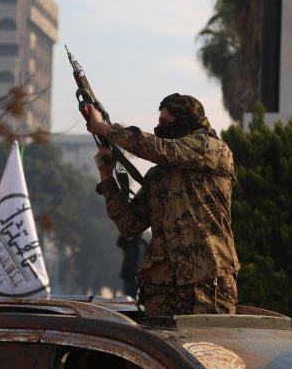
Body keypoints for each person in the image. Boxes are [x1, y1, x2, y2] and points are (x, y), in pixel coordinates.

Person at [84, 93, 240, 316]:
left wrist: (105, 128)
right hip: (162, 287)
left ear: (186, 120)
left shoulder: (213, 149)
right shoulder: (159, 176)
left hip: (206, 281)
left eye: (165, 122)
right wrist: (106, 176)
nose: (159, 127)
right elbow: (129, 224)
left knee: (206, 349)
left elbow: (163, 150)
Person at [117, 234, 148, 298]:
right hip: (130, 276)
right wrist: (125, 230)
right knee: (129, 298)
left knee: (140, 299)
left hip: (141, 278)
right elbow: (119, 242)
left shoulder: (145, 244)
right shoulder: (129, 243)